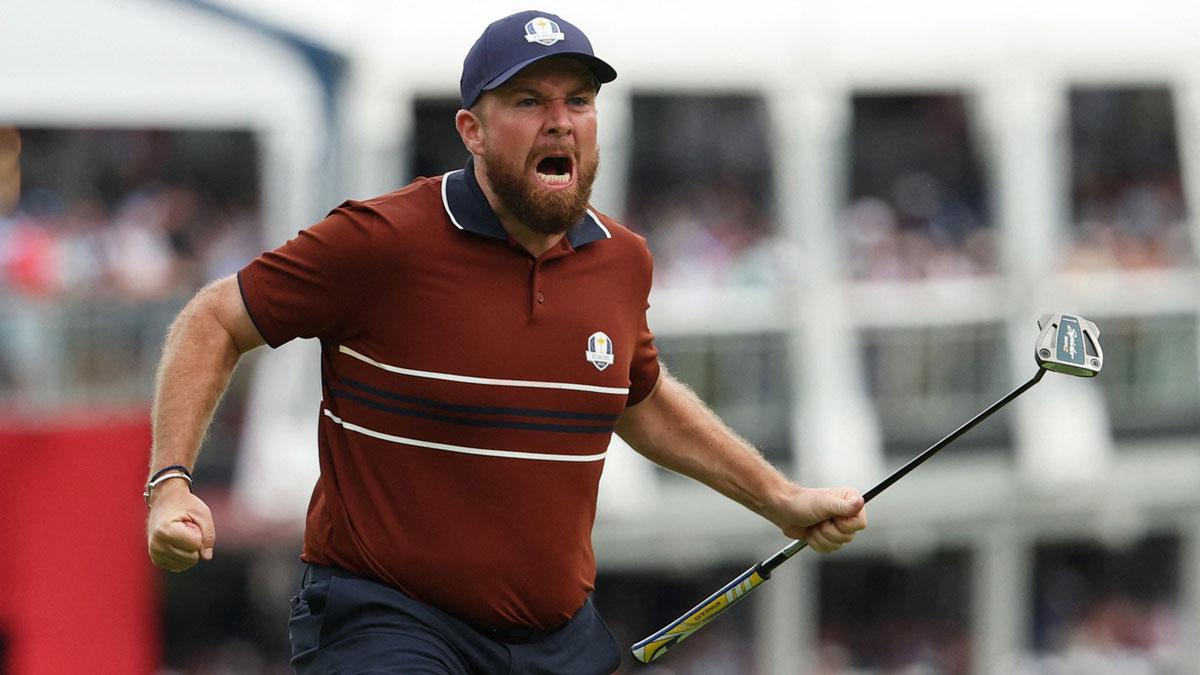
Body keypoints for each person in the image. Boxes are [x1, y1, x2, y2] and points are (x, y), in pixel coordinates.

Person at [144, 10, 867, 674]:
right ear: (472, 130)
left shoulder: (622, 261)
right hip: (387, 623)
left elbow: (638, 401)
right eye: (529, 102)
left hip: (558, 638)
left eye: (578, 101)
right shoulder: (382, 240)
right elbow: (214, 319)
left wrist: (780, 497)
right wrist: (170, 483)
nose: (560, 122)